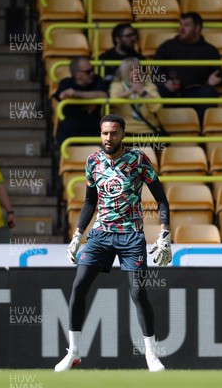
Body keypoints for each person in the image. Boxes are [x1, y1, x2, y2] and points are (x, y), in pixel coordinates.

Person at [54, 114, 172, 373]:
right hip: (100, 236)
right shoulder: (92, 161)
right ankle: (73, 352)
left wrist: (164, 233)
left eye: (114, 133)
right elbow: (89, 202)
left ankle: (151, 355)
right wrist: (77, 235)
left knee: (139, 293)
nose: (109, 138)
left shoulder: (139, 160)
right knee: (78, 286)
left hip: (131, 236)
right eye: (105, 133)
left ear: (123, 134)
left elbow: (162, 199)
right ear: (101, 134)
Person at [154, 12, 222, 121]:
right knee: (159, 92)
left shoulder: (210, 50)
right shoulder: (167, 47)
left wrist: (213, 81)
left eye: (186, 25)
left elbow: (220, 76)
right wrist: (165, 82)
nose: (182, 29)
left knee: (210, 93)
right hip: (172, 90)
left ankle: (201, 130)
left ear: (197, 28)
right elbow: (155, 72)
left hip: (196, 91)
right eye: (181, 25)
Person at [53, 56, 109, 148]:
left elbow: (103, 94)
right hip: (70, 131)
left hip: (93, 131)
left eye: (92, 69)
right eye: (88, 71)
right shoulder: (66, 82)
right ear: (76, 74)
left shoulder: (97, 79)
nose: (91, 73)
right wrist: (90, 98)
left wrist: (77, 94)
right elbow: (62, 95)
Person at [109, 57, 163, 135]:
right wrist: (131, 91)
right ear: (124, 72)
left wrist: (142, 92)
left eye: (138, 69)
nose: (136, 72)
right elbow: (114, 101)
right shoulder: (118, 85)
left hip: (147, 129)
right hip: (124, 130)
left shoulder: (149, 86)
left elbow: (156, 107)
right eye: (132, 69)